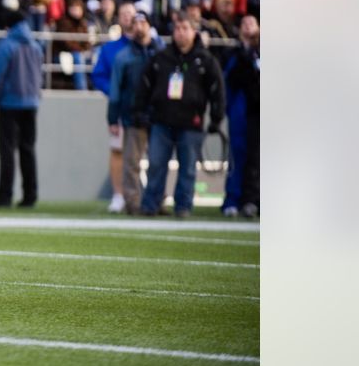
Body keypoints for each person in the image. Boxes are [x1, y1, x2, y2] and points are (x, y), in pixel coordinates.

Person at [135, 16, 226, 218]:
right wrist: (141, 111)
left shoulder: (205, 59)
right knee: (156, 165)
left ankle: (183, 207)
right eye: (177, 28)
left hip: (191, 122)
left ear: (194, 31)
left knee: (188, 169)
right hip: (162, 121)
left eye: (185, 28)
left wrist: (216, 118)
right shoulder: (162, 57)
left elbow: (217, 90)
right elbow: (144, 85)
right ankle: (151, 205)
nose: (180, 32)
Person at [0, 0, 44, 208]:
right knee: (28, 149)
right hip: (31, 104)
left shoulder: (7, 45)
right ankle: (30, 195)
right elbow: (39, 76)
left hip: (10, 104)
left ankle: (4, 195)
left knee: (7, 151)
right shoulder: (36, 46)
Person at [106, 12, 160, 215]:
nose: (138, 26)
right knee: (131, 163)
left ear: (149, 26)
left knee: (158, 162)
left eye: (142, 22)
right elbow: (115, 90)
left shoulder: (161, 53)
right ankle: (133, 202)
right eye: (135, 23)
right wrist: (113, 117)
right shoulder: (123, 56)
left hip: (158, 115)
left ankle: (156, 200)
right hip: (132, 116)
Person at [91, 2, 138, 213]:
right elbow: (98, 75)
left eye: (131, 14)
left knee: (142, 152)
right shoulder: (110, 49)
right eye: (124, 14)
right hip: (120, 107)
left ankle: (140, 194)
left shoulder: (149, 45)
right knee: (118, 150)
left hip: (143, 108)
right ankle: (119, 194)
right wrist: (116, 92)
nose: (127, 17)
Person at [222, 15, 260, 218]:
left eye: (251, 23)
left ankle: (254, 199)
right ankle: (233, 199)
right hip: (240, 112)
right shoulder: (234, 54)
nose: (248, 27)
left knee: (257, 158)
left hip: (257, 111)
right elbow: (230, 82)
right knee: (237, 157)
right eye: (244, 23)